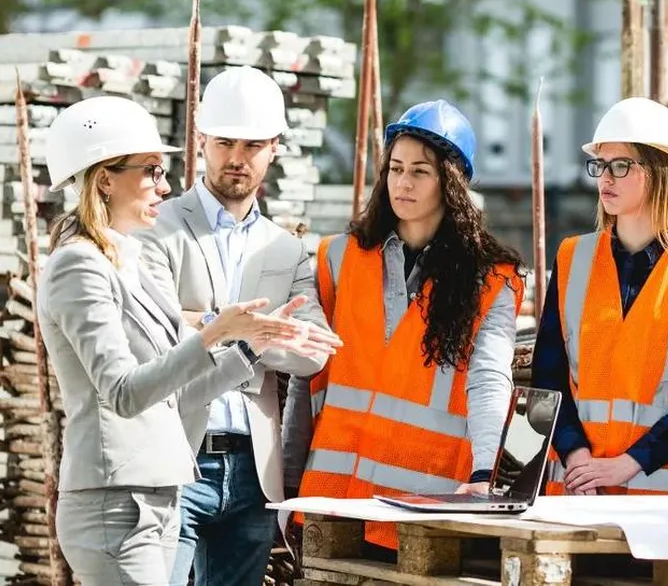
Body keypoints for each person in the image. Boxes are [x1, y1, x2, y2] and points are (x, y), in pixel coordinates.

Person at [37, 96, 333, 586]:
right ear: (105, 178)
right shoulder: (78, 264)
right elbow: (125, 392)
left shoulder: (123, 259)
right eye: (151, 170)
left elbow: (173, 394)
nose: (165, 184)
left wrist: (249, 346)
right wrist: (217, 329)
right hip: (116, 503)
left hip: (156, 494)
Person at [290, 99, 525, 551]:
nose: (403, 182)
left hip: (422, 507)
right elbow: (307, 381)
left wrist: (483, 472)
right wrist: (285, 477)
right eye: (395, 168)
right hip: (333, 503)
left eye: (420, 171)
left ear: (451, 181)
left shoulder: (492, 279)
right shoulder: (337, 258)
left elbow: (490, 379)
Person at [137, 67, 336, 586]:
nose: (236, 157)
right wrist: (242, 330)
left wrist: (221, 330)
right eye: (224, 141)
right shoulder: (158, 229)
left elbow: (311, 353)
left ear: (274, 148)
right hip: (175, 455)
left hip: (251, 469)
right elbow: (147, 336)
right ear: (201, 141)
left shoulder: (286, 248)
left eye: (252, 144)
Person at [533, 97, 668, 496]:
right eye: (600, 165)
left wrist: (627, 465)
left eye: (621, 165)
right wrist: (576, 455)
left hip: (661, 505)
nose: (605, 179)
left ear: (661, 171)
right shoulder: (572, 258)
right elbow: (547, 379)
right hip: (575, 494)